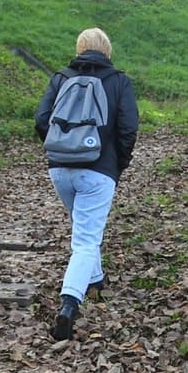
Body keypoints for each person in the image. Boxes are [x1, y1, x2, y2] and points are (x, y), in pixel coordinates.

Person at [35, 27, 137, 341]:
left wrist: (60, 151)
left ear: (79, 49)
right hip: (97, 171)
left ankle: (96, 280)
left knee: (84, 228)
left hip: (60, 169)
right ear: (107, 51)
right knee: (86, 240)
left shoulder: (61, 78)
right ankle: (69, 303)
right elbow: (128, 129)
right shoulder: (118, 81)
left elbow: (41, 119)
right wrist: (115, 165)